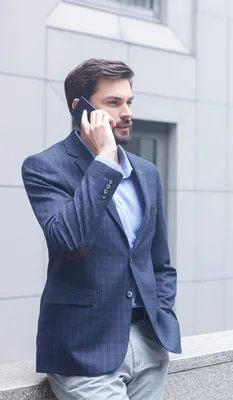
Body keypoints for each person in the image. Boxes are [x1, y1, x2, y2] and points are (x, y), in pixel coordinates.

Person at [21, 58, 181, 399]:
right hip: (85, 351)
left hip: (148, 343)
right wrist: (105, 160)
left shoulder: (146, 172)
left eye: (129, 102)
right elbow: (70, 240)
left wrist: (161, 311)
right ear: (82, 109)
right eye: (113, 103)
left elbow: (159, 260)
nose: (127, 112)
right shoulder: (45, 167)